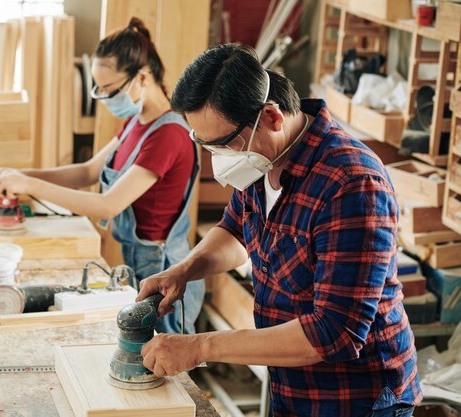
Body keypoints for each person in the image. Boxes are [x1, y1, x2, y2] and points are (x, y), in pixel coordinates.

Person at [137, 44, 421, 417]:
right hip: (293, 384)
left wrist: (201, 347)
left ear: (271, 116)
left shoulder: (352, 183)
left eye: (223, 143)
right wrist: (184, 270)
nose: (218, 158)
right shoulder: (261, 157)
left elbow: (334, 332)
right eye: (204, 144)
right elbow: (236, 232)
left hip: (357, 397)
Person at [0, 17, 204, 334]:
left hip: (164, 271)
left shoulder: (168, 134)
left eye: (110, 89)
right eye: (99, 89)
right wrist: (22, 174)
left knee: (163, 365)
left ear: (142, 78)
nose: (105, 98)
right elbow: (88, 170)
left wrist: (30, 185)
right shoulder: (137, 122)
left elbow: (108, 206)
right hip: (140, 261)